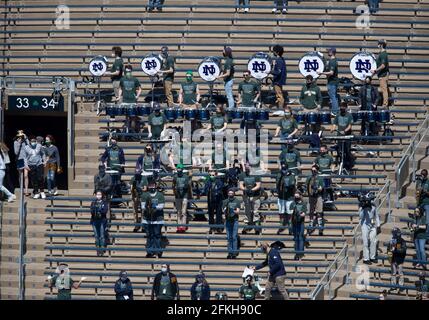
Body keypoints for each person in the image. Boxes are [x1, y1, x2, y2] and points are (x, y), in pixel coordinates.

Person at [141, 182, 165, 258]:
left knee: (157, 235)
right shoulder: (145, 195)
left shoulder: (160, 195)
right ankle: (150, 251)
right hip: (147, 219)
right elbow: (142, 206)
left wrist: (153, 207)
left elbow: (161, 206)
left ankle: (158, 251)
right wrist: (148, 208)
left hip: (158, 219)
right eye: (150, 185)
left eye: (153, 185)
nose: (152, 187)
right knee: (149, 236)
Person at [331, 102, 354, 172]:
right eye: (341, 108)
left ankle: (349, 166)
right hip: (339, 136)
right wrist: (332, 128)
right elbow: (334, 124)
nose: (342, 109)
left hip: (347, 136)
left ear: (346, 108)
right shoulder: (337, 115)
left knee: (347, 151)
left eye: (343, 108)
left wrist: (345, 131)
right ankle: (341, 165)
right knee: (340, 151)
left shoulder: (349, 115)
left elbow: (350, 125)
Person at [239, 163, 262, 235]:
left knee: (255, 212)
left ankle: (257, 228)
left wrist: (252, 190)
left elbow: (258, 185)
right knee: (247, 212)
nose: (246, 166)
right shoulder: (242, 174)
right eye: (245, 165)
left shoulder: (256, 174)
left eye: (248, 165)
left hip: (255, 196)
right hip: (246, 196)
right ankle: (247, 227)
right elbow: (241, 185)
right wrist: (245, 189)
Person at [358, 195, 380, 264]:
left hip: (372, 225)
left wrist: (378, 225)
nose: (367, 202)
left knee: (373, 241)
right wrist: (362, 208)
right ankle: (366, 259)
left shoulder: (373, 206)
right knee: (365, 242)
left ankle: (372, 257)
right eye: (366, 201)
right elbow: (360, 217)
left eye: (368, 200)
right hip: (364, 225)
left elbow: (376, 216)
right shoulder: (362, 207)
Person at [318, 47, 339, 115]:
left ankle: (335, 112)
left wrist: (321, 73)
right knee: (333, 97)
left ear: (331, 52)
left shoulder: (332, 61)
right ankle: (334, 111)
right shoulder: (332, 60)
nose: (327, 52)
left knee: (333, 97)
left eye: (328, 51)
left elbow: (331, 72)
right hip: (332, 82)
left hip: (332, 82)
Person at [276, 162, 295, 235]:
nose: (283, 170)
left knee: (289, 213)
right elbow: (277, 184)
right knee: (281, 213)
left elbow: (292, 185)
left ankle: (290, 228)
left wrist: (289, 185)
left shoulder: (291, 175)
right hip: (281, 197)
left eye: (285, 169)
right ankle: (281, 226)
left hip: (289, 197)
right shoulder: (279, 175)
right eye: (282, 169)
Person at [173, 164, 192, 233]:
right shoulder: (175, 177)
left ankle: (183, 226)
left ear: (182, 170)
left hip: (184, 196)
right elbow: (173, 185)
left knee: (183, 212)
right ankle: (179, 226)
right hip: (178, 196)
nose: (179, 170)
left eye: (180, 169)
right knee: (178, 212)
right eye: (178, 169)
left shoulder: (186, 177)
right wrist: (175, 193)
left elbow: (187, 186)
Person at [205, 169, 226, 234]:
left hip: (218, 200)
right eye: (210, 175)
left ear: (216, 175)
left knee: (218, 215)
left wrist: (216, 192)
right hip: (211, 200)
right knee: (211, 215)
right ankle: (211, 227)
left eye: (213, 175)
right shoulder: (208, 181)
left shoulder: (219, 181)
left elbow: (221, 189)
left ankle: (218, 228)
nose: (212, 176)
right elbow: (205, 190)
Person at [222, 188, 241, 259]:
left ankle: (234, 252)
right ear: (227, 194)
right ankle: (230, 252)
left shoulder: (237, 201)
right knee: (229, 237)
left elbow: (238, 211)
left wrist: (232, 210)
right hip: (228, 220)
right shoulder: (225, 201)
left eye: (231, 193)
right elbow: (223, 211)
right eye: (229, 193)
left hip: (235, 220)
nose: (230, 194)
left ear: (234, 193)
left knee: (234, 237)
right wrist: (226, 210)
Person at [306, 165, 324, 236]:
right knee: (310, 212)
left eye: (314, 170)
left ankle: (320, 228)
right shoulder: (309, 178)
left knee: (319, 212)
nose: (313, 172)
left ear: (317, 170)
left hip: (318, 196)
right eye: (312, 170)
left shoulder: (320, 178)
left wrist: (316, 188)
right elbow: (306, 186)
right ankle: (310, 226)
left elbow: (321, 188)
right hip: (310, 197)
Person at [90, 190, 109, 256]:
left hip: (102, 221)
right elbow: (91, 211)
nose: (98, 196)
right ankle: (98, 249)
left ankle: (102, 249)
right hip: (94, 221)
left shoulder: (104, 202)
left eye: (100, 194)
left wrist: (99, 209)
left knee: (102, 235)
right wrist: (95, 209)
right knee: (96, 235)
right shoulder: (93, 202)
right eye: (97, 194)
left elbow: (105, 211)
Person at [371, 39, 390, 108]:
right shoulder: (381, 54)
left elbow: (383, 65)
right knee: (382, 89)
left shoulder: (383, 54)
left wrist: (375, 71)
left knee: (384, 89)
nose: (378, 45)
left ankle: (385, 104)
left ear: (381, 45)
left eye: (379, 44)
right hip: (381, 75)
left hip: (383, 75)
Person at [291, 191, 307, 260]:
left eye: (297, 196)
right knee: (296, 238)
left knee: (300, 237)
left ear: (300, 196)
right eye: (295, 196)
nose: (296, 198)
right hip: (294, 222)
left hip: (300, 223)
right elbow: (290, 212)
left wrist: (299, 213)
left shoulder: (303, 204)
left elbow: (304, 213)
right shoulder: (293, 203)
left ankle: (300, 253)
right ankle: (297, 253)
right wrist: (294, 212)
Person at [14, 130, 30, 195]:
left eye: (22, 135)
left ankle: (26, 190)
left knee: (26, 175)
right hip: (19, 159)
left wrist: (26, 138)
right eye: (19, 136)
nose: (20, 137)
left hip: (26, 159)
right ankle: (21, 189)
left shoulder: (25, 141)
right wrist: (19, 143)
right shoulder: (15, 142)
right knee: (20, 175)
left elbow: (30, 146)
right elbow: (16, 152)